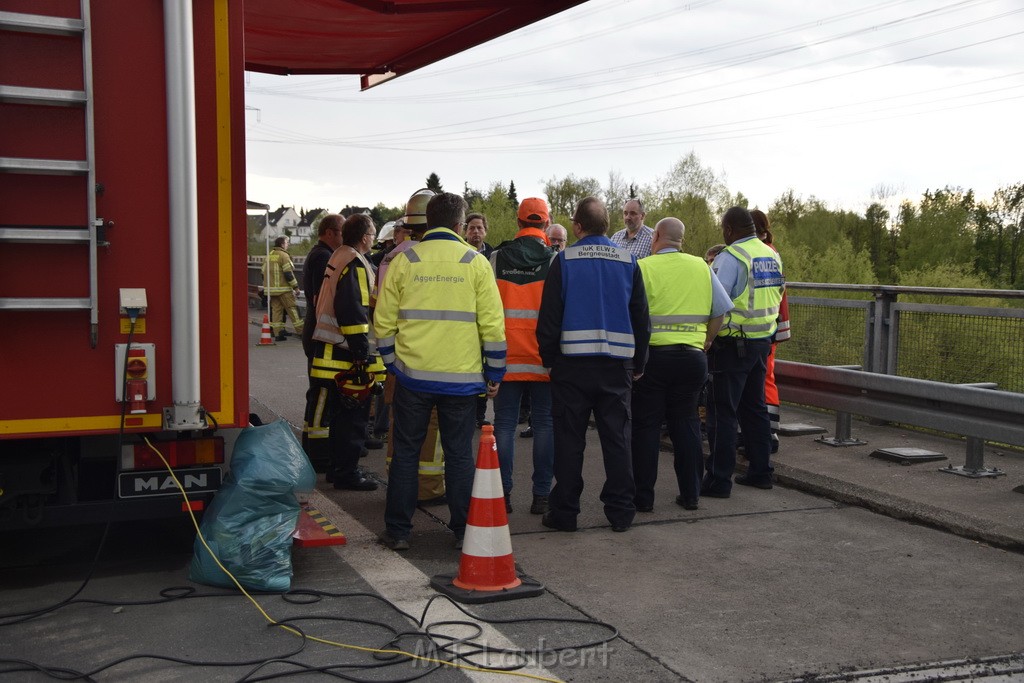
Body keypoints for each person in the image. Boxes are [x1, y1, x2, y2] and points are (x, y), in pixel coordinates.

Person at [374, 192, 506, 551]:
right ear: (461, 225)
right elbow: (493, 326)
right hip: (462, 383)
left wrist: (392, 364)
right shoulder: (476, 262)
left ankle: (398, 531)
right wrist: (495, 372)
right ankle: (463, 530)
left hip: (413, 377)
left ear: (428, 222)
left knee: (405, 453)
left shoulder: (405, 260)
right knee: (459, 455)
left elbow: (383, 321)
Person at [537, 196, 650, 533]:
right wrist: (639, 361)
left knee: (570, 441)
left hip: (571, 367)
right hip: (617, 367)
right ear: (606, 225)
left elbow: (549, 318)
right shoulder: (629, 261)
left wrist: (549, 360)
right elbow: (641, 318)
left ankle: (565, 512)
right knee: (617, 439)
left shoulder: (564, 260)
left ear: (577, 226)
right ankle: (620, 511)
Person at [631, 218, 732, 512]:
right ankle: (691, 495)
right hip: (692, 359)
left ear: (657, 236)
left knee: (647, 427)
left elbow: (632, 313)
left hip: (653, 359)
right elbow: (721, 310)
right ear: (682, 240)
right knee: (686, 423)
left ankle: (643, 498)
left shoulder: (643, 267)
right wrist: (707, 341)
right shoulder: (702, 267)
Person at [703, 206, 785, 497]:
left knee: (722, 413)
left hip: (732, 345)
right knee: (754, 409)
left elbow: (716, 303)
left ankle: (718, 480)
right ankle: (761, 472)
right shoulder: (770, 254)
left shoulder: (732, 257)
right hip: (762, 342)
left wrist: (708, 339)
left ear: (728, 230)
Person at [490, 198, 555, 516]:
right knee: (544, 424)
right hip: (544, 358)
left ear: (518, 223)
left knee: (503, 425)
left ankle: (502, 494)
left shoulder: (496, 259)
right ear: (546, 224)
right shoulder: (555, 261)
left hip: (505, 357)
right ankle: (542, 496)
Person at [308, 213, 381, 491]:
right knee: (352, 418)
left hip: (330, 349)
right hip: (345, 354)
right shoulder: (357, 263)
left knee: (339, 416)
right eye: (372, 235)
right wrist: (362, 355)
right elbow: (354, 313)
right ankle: (347, 474)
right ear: (365, 237)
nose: (373, 239)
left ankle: (339, 470)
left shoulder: (339, 255)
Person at [301, 214, 345, 472]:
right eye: (340, 233)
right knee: (320, 395)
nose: (342, 239)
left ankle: (313, 447)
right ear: (330, 233)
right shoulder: (322, 257)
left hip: (315, 330)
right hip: (319, 333)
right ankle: (317, 456)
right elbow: (321, 297)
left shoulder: (318, 254)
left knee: (318, 394)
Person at [751, 209, 791, 454]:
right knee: (765, 378)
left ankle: (768, 433)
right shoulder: (772, 253)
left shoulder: (762, 254)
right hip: (768, 325)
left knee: (764, 379)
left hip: (761, 328)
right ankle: (766, 431)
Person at [465, 212, 494, 427]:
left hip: (485, 317)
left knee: (485, 366)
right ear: (465, 231)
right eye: (472, 228)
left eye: (479, 228)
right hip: (465, 321)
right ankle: (470, 408)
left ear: (485, 231)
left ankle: (480, 414)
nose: (475, 232)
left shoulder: (493, 255)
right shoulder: (460, 253)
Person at [262, 235, 304, 340]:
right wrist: (296, 287)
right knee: (293, 310)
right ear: (282, 244)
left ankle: (278, 334)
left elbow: (262, 272)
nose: (288, 244)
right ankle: (302, 332)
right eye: (287, 243)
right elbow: (288, 273)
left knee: (276, 311)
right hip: (284, 289)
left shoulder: (269, 255)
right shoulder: (284, 255)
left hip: (272, 290)